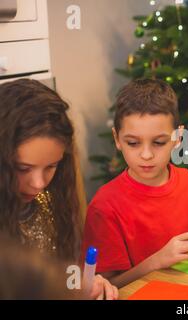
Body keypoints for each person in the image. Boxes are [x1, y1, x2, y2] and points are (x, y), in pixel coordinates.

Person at [82, 79, 188, 288]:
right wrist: (156, 262)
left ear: (178, 137)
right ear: (117, 139)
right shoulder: (105, 206)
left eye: (158, 142)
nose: (146, 155)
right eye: (133, 143)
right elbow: (106, 286)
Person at [0, 79, 118, 300]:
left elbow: (59, 272)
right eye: (23, 168)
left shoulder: (48, 201)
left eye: (51, 166)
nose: (39, 183)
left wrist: (83, 283)